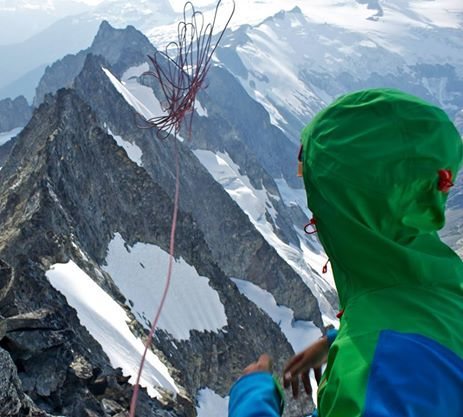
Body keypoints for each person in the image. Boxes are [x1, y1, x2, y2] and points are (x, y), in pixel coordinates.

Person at [228, 88, 463, 417]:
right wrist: (339, 339)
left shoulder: (376, 370)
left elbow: (396, 375)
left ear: (347, 211)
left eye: (318, 197)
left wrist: (252, 397)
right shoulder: (447, 283)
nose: (313, 216)